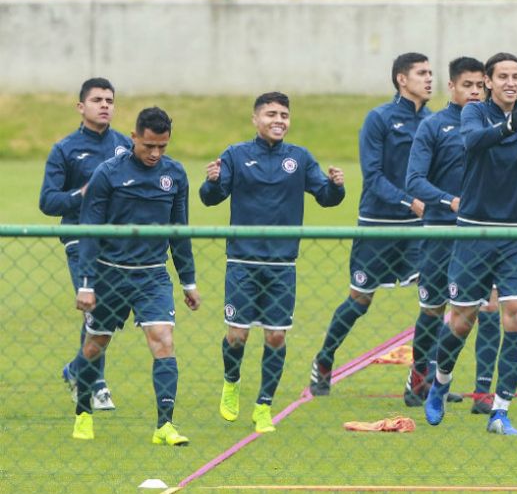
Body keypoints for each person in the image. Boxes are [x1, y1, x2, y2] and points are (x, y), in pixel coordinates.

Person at [424, 52, 517, 435]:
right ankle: (440, 382)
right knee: (462, 319)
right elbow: (472, 142)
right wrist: (505, 127)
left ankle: (500, 411)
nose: (511, 83)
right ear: (488, 80)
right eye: (503, 76)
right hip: (474, 231)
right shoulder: (474, 114)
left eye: (516, 76)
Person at [200, 92, 346, 433]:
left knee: (276, 337)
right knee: (237, 336)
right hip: (242, 260)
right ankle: (231, 383)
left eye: (283, 115)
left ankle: (264, 406)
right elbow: (211, 198)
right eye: (271, 114)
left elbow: (326, 198)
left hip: (282, 264)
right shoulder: (236, 155)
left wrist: (337, 186)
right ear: (255, 119)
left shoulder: (300, 157)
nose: (278, 120)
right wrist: (210, 181)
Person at [309, 52, 441, 397]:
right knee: (360, 300)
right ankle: (324, 359)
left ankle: (421, 374)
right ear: (402, 79)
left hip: (418, 228)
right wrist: (409, 201)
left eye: (431, 72)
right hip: (378, 225)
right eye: (422, 73)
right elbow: (373, 176)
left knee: (433, 300)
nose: (430, 79)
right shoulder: (379, 119)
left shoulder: (433, 122)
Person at [71, 107, 200, 445]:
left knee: (163, 341)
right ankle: (83, 413)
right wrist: (86, 284)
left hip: (152, 277)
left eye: (162, 147)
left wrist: (189, 281)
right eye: (148, 146)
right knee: (95, 345)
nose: (155, 154)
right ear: (133, 138)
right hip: (110, 275)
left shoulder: (175, 175)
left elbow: (179, 231)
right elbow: (89, 231)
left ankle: (164, 426)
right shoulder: (108, 173)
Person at [403, 56, 502, 414]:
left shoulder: (497, 126)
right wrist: (449, 201)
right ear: (453, 87)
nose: (475, 92)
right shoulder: (432, 127)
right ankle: (421, 379)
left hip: (482, 234)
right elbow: (413, 181)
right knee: (434, 308)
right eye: (468, 86)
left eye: (480, 85)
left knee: (488, 307)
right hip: (441, 232)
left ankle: (482, 393)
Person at [40, 77, 132, 411]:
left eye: (109, 99)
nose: (105, 105)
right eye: (97, 100)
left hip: (118, 242)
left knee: (110, 310)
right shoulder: (64, 149)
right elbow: (48, 202)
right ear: (81, 107)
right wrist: (81, 195)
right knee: (94, 304)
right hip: (80, 238)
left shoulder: (126, 146)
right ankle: (97, 384)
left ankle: (77, 370)